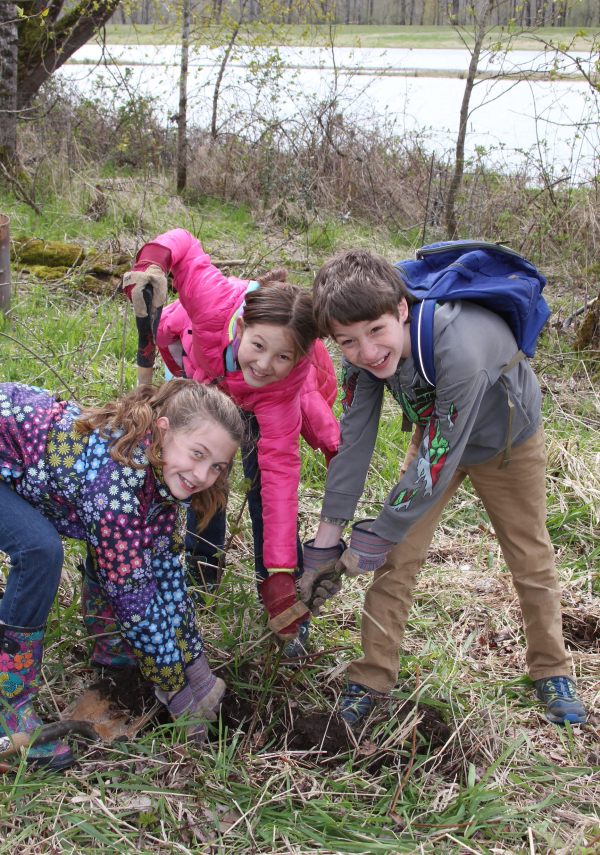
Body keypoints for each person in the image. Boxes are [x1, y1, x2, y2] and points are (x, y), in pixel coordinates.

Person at [300, 248, 587, 727]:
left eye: (376, 332)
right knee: (397, 559)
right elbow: (354, 441)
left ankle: (552, 669)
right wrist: (326, 544)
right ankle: (371, 677)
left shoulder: (461, 348)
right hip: (437, 433)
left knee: (529, 555)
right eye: (347, 342)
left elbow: (438, 460)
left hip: (505, 442)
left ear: (400, 309)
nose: (367, 353)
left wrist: (374, 537)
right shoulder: (362, 359)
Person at [0, 378, 243, 771]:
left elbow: (165, 573)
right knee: (39, 550)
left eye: (216, 466)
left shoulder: (158, 478)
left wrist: (196, 667)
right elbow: (134, 597)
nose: (201, 475)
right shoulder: (117, 484)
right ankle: (7, 708)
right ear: (163, 431)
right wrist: (175, 689)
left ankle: (115, 659)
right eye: (197, 454)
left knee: (126, 553)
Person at [123, 229, 339, 656]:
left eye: (282, 356)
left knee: (263, 489)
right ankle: (201, 574)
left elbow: (281, 485)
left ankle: (282, 589)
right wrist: (153, 260)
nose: (265, 363)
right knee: (203, 471)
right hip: (208, 376)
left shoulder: (284, 384)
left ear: (299, 358)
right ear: (241, 327)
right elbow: (182, 242)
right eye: (258, 346)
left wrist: (279, 575)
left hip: (272, 401)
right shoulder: (211, 303)